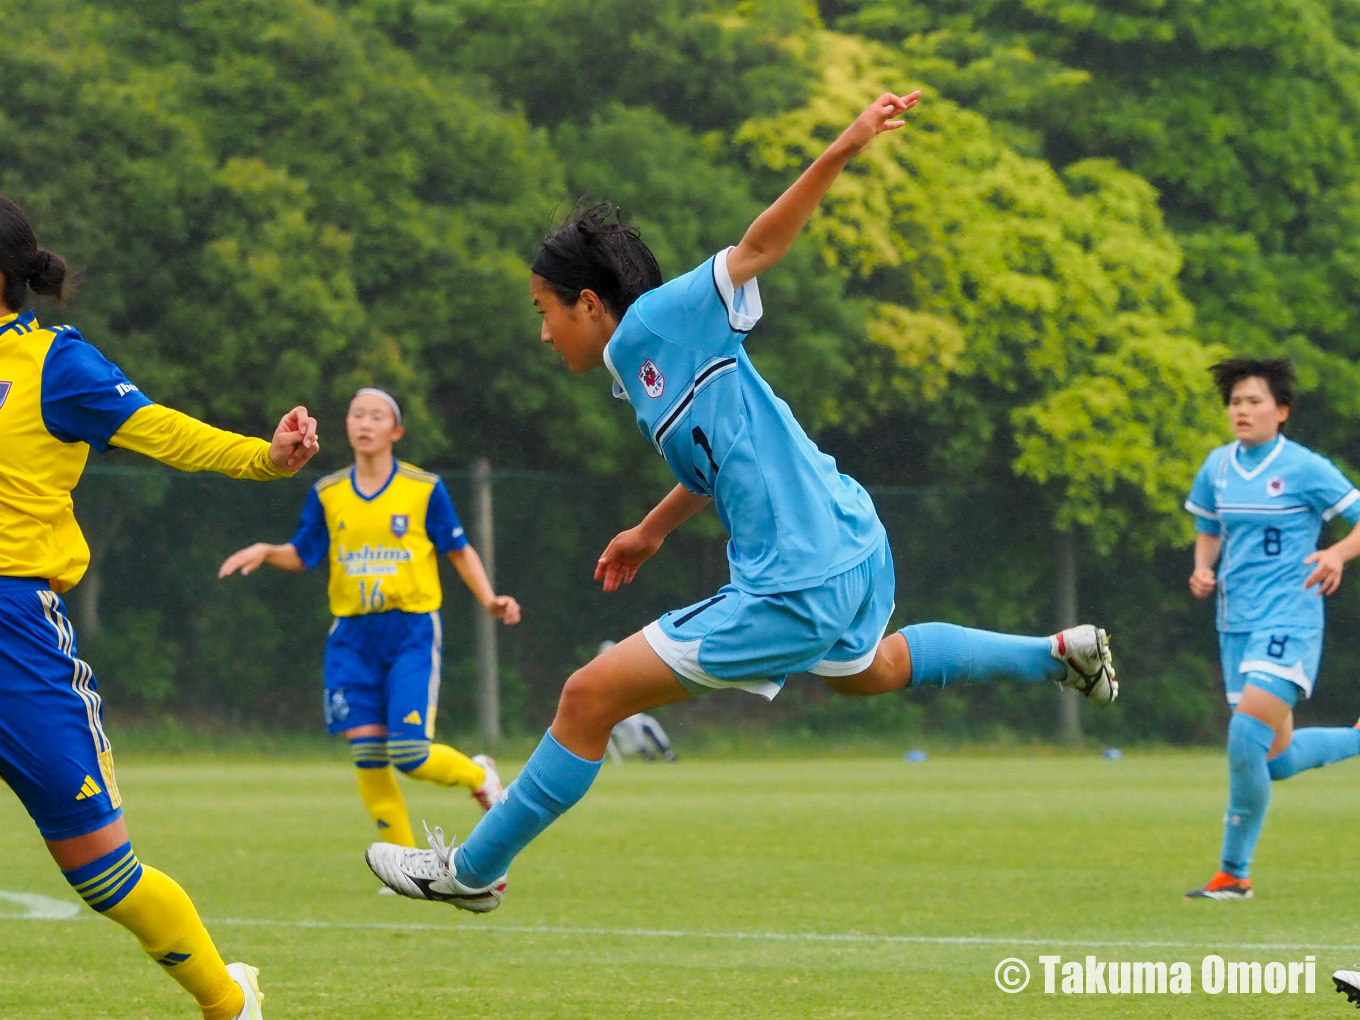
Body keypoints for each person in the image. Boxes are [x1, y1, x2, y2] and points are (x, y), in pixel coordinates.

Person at [365, 91, 1117, 913]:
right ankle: (1056, 654)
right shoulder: (638, 375)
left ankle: (471, 872)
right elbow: (717, 465)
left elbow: (760, 246)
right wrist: (650, 530)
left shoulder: (664, 316)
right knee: (869, 671)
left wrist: (846, 144)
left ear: (587, 302)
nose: (543, 334)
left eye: (544, 312)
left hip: (798, 574)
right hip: (849, 541)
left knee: (587, 697)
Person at [0, 195, 321, 1018]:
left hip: (16, 642)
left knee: (104, 873)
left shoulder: (52, 365)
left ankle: (228, 1002)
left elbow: (160, 431)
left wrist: (266, 457)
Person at [218, 388, 521, 853]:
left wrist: (490, 599)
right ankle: (402, 863)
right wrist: (267, 550)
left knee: (410, 754)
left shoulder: (424, 489)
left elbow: (458, 550)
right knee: (369, 757)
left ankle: (479, 774)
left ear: (396, 430)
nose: (365, 422)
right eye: (357, 414)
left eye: (377, 416)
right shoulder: (328, 492)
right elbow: (304, 553)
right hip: (352, 638)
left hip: (410, 631)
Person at [1182, 358, 1360, 900]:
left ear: (1281, 411)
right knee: (1273, 760)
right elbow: (1209, 527)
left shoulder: (1305, 467)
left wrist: (1336, 553)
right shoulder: (1217, 466)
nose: (1243, 410)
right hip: (1235, 623)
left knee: (1243, 737)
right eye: (1235, 401)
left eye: (1254, 400)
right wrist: (1203, 565)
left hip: (1291, 618)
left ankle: (1234, 874)